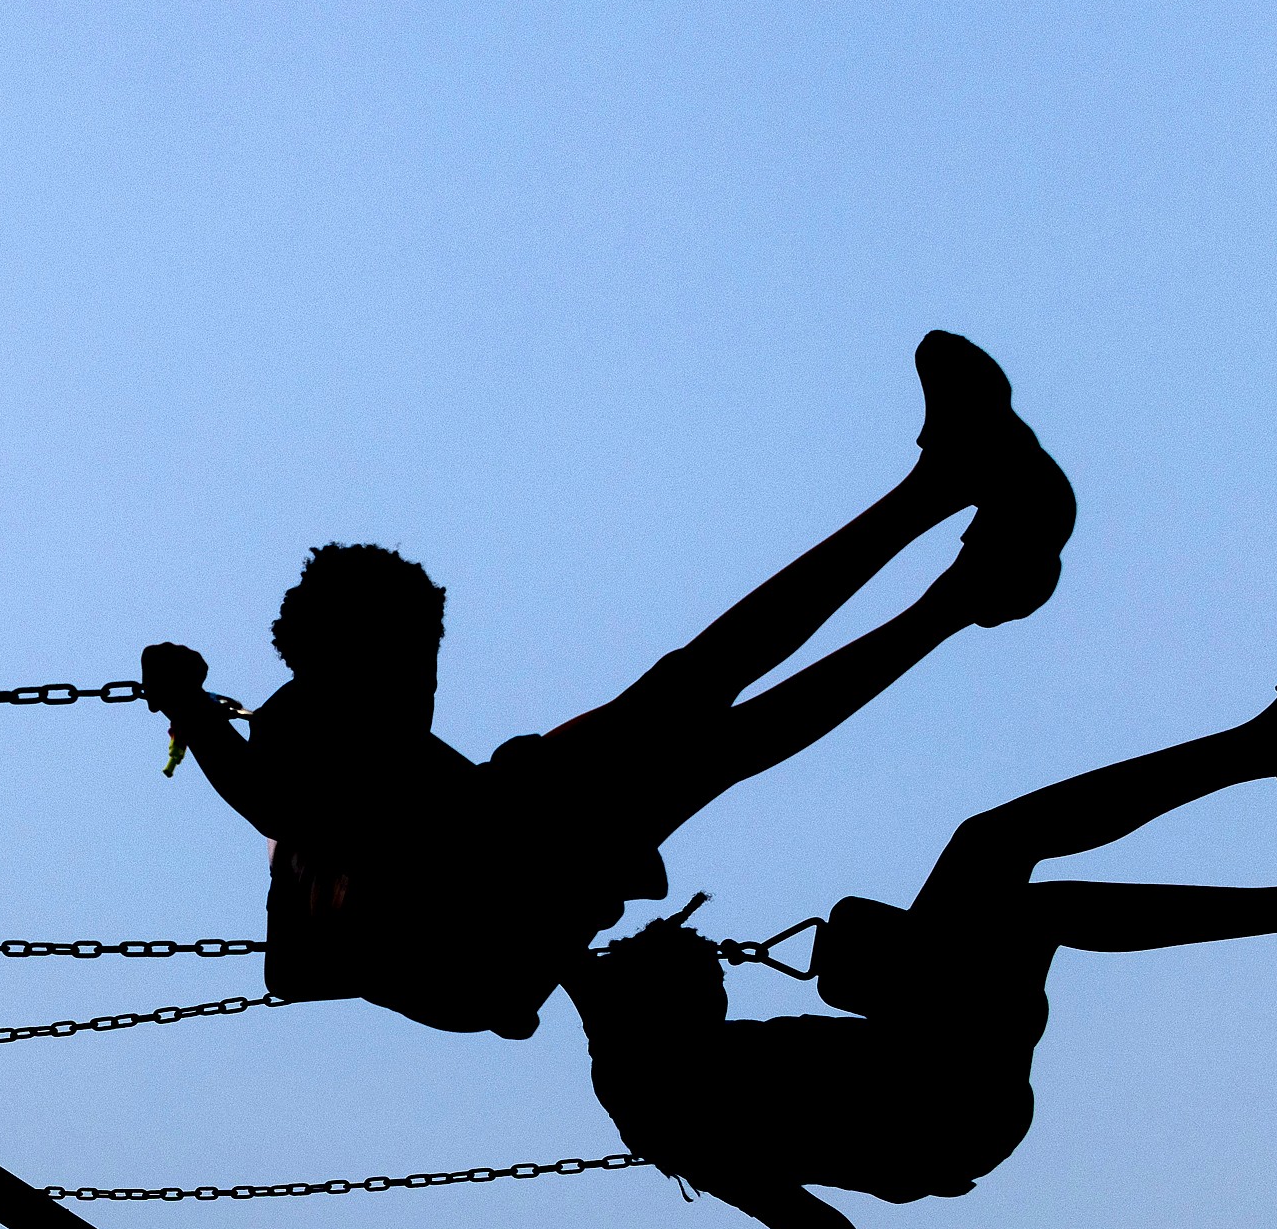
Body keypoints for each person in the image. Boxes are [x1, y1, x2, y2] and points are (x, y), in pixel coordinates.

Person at [141, 331, 1076, 1041]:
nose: (423, 690)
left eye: (426, 665)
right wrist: (189, 707)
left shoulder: (340, 740)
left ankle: (961, 564)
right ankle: (948, 512)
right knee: (708, 696)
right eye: (409, 661)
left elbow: (305, 830)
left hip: (516, 868)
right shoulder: (310, 731)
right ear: (342, 654)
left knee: (717, 715)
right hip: (514, 867)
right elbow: (267, 799)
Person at [561, 591, 1277, 1229]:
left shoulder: (675, 1070)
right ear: (645, 1006)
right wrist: (755, 1182)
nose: (718, 969)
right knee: (1017, 891)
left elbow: (580, 971)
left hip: (928, 1057)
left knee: (995, 851)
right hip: (942, 1102)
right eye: (694, 970)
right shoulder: (660, 1101)